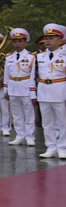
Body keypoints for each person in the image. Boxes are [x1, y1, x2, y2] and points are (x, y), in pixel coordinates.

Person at [36, 23, 66, 160]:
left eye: (52, 38)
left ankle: (62, 147)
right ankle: (51, 147)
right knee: (47, 122)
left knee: (62, 121)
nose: (47, 41)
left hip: (59, 90)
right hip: (43, 90)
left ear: (60, 40)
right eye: (46, 38)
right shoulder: (39, 56)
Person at [5, 28, 37, 147]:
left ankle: (30, 136)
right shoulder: (9, 57)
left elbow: (33, 75)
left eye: (20, 41)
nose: (17, 44)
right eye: (15, 41)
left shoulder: (31, 57)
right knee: (16, 114)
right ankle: (19, 135)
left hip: (25, 86)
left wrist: (32, 91)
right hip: (13, 87)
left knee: (28, 113)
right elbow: (6, 75)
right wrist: (6, 89)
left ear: (25, 42)